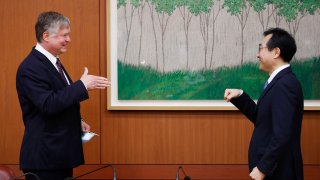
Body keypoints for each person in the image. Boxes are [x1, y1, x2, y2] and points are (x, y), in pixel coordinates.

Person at [16, 11, 110, 180]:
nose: (69, 40)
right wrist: (82, 85)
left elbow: (57, 97)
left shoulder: (53, 61)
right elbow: (48, 104)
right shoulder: (30, 67)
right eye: (64, 35)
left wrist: (77, 120)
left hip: (58, 157)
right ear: (46, 36)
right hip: (44, 159)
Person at [224, 28, 303, 180]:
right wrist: (240, 96)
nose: (257, 54)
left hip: (278, 171)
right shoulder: (277, 81)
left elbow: (282, 134)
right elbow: (262, 119)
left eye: (261, 48)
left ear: (276, 52)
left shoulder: (285, 84)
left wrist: (262, 168)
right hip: (273, 169)